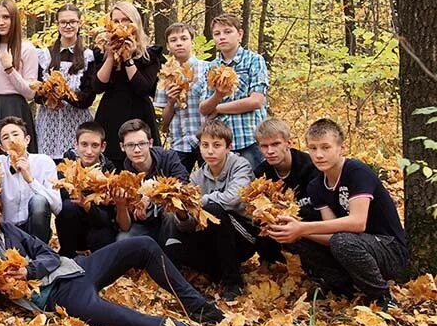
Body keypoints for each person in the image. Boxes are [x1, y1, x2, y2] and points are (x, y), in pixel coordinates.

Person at [0, 193, 228, 326]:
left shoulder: (7, 232)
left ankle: (201, 308)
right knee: (129, 320)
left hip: (75, 268)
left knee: (143, 244)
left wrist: (28, 270)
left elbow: (50, 255)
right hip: (61, 298)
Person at [267, 119, 407, 310]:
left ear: (341, 147)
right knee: (296, 237)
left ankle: (383, 297)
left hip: (389, 250)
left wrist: (303, 228)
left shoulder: (356, 171)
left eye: (326, 147)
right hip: (353, 247)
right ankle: (343, 288)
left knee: (340, 240)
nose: (319, 155)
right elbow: (332, 234)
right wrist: (297, 232)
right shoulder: (316, 185)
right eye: (313, 148)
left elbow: (358, 223)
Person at [163, 120, 258, 300]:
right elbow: (189, 225)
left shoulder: (240, 166)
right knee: (173, 228)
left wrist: (198, 201)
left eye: (217, 145)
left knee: (214, 209)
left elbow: (233, 199)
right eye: (205, 145)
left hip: (243, 236)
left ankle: (233, 282)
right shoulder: (197, 176)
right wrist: (182, 213)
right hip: (214, 239)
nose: (210, 151)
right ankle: (185, 284)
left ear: (228, 147)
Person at [84, 1, 164, 166]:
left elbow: (142, 88)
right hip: (110, 115)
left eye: (126, 20)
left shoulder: (150, 54)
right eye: (116, 21)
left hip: (139, 115)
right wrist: (110, 57)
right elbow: (98, 87)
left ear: (134, 22)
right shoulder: (101, 52)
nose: (121, 25)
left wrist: (128, 58)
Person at [198, 13, 269, 170]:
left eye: (228, 31)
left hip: (249, 139)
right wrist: (218, 95)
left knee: (251, 189)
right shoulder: (212, 67)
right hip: (221, 143)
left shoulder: (254, 60)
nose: (222, 37)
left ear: (240, 34)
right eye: (217, 34)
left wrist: (217, 108)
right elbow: (203, 108)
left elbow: (256, 101)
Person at [35, 4, 96, 161]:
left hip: (76, 123)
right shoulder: (44, 55)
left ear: (79, 23)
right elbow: (36, 94)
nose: (68, 26)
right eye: (63, 22)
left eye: (72, 22)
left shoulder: (88, 56)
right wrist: (49, 100)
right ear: (57, 25)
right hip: (49, 124)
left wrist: (64, 95)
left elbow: (88, 98)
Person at [0, 0, 38, 153]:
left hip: (16, 108)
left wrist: (10, 69)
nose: (1, 22)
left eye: (6, 17)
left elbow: (30, 93)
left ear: (14, 20)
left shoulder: (27, 49)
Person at [0, 117, 61, 244]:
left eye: (16, 134)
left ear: (27, 140)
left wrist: (30, 180)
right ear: (2, 146)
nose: (12, 140)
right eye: (5, 137)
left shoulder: (44, 162)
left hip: (35, 227)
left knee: (38, 200)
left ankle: (39, 251)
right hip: (7, 229)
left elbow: (57, 206)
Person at [119, 118, 189, 242]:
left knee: (170, 214)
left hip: (172, 218)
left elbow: (183, 183)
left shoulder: (168, 158)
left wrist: (151, 194)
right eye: (130, 145)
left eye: (141, 143)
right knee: (123, 239)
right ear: (122, 147)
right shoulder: (124, 175)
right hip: (145, 223)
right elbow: (127, 220)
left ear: (150, 143)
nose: (136, 149)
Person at [54, 122, 118, 257]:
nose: (89, 151)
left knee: (103, 234)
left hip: (98, 224)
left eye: (94, 145)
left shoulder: (109, 172)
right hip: (73, 224)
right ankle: (68, 255)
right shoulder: (67, 166)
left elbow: (107, 217)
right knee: (68, 206)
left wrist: (87, 204)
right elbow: (60, 196)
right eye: (84, 145)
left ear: (103, 147)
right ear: (76, 145)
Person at [154, 23, 209, 172]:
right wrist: (171, 102)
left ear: (192, 41)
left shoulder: (207, 68)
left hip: (207, 139)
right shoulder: (165, 75)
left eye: (184, 38)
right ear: (168, 45)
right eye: (173, 40)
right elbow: (164, 122)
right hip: (180, 141)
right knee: (176, 185)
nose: (179, 43)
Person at [253, 118, 319, 223]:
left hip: (310, 227)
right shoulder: (261, 174)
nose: (270, 151)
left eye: (275, 144)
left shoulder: (311, 166)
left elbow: (319, 209)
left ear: (288, 143)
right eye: (264, 146)